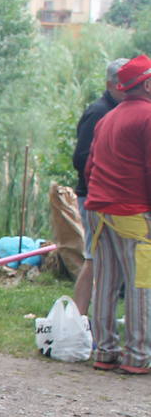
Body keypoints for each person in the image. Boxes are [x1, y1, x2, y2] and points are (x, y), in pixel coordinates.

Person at [84, 53, 151, 376]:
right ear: (147, 84)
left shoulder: (107, 118)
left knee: (106, 282)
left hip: (99, 209)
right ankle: (137, 356)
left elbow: (89, 167)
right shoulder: (148, 117)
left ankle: (104, 350)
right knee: (141, 284)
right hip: (132, 212)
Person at [72, 58, 129, 316]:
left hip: (107, 198)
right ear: (110, 85)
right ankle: (79, 315)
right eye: (123, 85)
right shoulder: (99, 112)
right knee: (93, 258)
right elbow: (81, 158)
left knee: (102, 259)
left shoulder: (119, 111)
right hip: (93, 197)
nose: (128, 90)